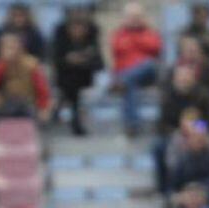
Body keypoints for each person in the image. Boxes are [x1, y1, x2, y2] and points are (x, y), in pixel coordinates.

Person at [109, 3, 162, 135]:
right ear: (124, 18)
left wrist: (133, 38)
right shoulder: (118, 34)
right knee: (128, 84)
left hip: (147, 74)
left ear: (143, 17)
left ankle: (121, 82)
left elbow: (155, 48)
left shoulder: (151, 33)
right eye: (131, 17)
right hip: (126, 75)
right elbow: (117, 49)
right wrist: (139, 41)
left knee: (148, 64)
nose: (134, 20)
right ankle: (132, 125)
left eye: (137, 16)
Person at [52, 8, 103, 135]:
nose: (78, 31)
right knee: (70, 87)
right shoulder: (60, 40)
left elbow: (100, 64)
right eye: (74, 27)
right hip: (66, 80)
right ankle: (75, 123)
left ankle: (60, 113)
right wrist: (70, 61)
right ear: (68, 28)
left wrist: (82, 60)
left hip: (86, 79)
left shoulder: (92, 40)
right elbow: (56, 62)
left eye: (81, 27)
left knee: (73, 89)